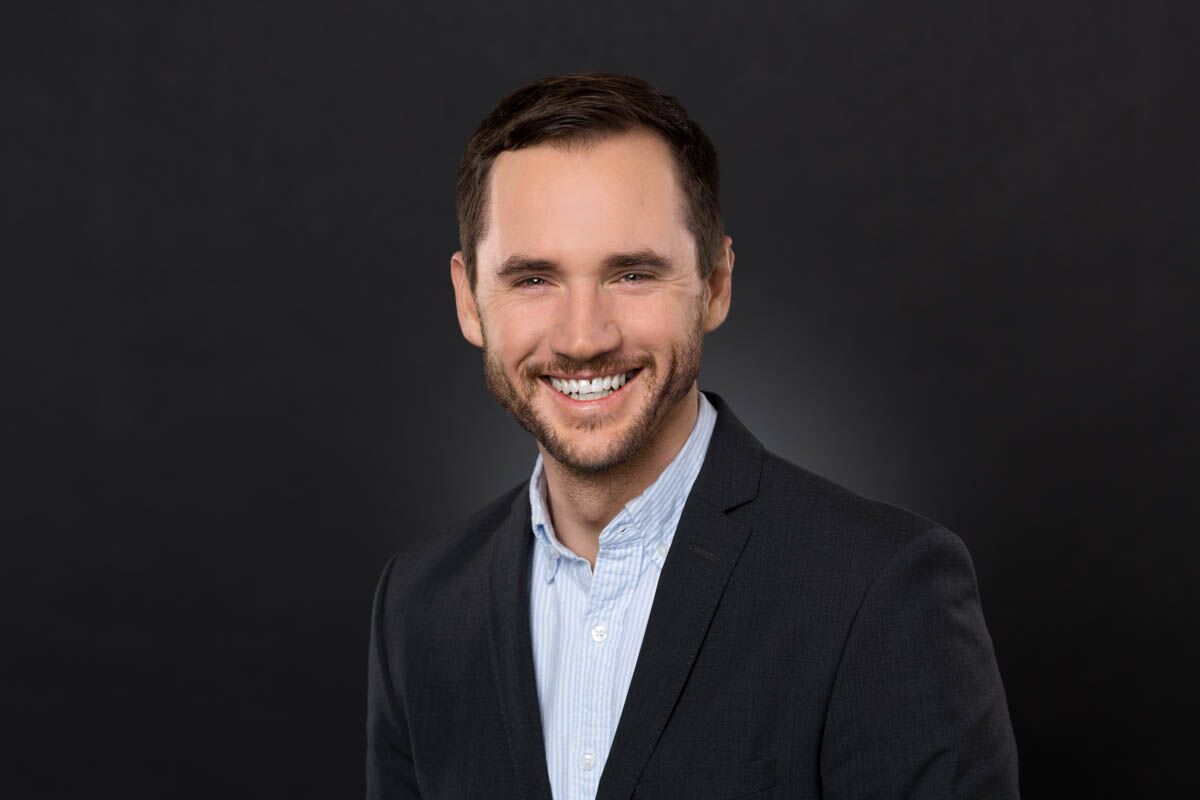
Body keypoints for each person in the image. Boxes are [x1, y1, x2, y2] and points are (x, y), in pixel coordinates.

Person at [366, 71, 1019, 799]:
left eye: (632, 274)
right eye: (534, 280)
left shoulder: (884, 590)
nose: (583, 338)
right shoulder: (419, 606)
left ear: (715, 285)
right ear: (469, 301)